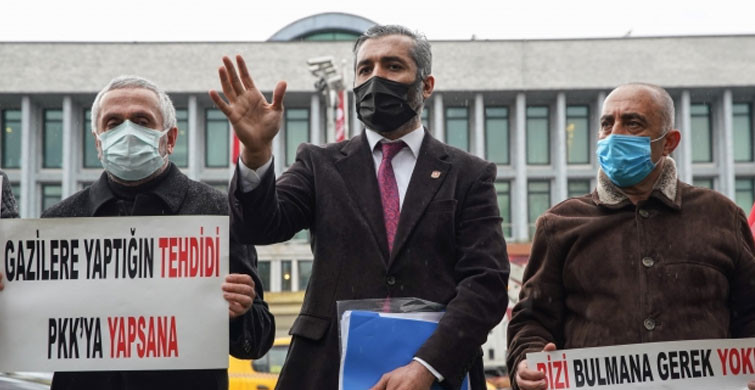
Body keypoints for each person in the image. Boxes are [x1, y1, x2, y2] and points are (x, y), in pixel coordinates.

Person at [210, 25, 510, 390]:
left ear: (426, 85)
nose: (376, 78)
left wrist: (428, 365)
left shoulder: (468, 175)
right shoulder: (319, 164)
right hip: (326, 370)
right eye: (365, 69)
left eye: (393, 66)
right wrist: (256, 153)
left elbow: (487, 283)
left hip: (435, 375)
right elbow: (259, 226)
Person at [32, 75, 275, 390]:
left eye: (142, 121)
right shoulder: (59, 222)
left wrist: (239, 312)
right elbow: (33, 330)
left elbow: (257, 340)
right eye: (113, 122)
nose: (127, 131)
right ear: (98, 140)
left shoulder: (217, 213)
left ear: (170, 138)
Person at [506, 83, 755, 390]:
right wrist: (526, 363)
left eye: (633, 123)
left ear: (669, 142)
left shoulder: (720, 216)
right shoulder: (559, 225)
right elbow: (531, 321)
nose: (615, 134)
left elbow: (750, 312)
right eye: (607, 124)